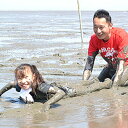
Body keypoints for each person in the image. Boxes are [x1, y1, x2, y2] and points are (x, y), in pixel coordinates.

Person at [0, 63, 112, 111]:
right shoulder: (20, 85)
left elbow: (61, 93)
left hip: (68, 91)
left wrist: (48, 104)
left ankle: (105, 83)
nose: (23, 81)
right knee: (82, 82)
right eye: (20, 78)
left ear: (34, 77)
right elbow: (10, 84)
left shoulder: (40, 87)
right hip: (55, 85)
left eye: (26, 77)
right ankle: (93, 80)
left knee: (88, 89)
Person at [83, 9, 128, 87]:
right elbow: (89, 64)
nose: (98, 31)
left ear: (110, 25)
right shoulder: (94, 39)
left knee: (115, 83)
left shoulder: (121, 36)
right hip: (112, 66)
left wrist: (114, 88)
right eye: (95, 27)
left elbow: (121, 66)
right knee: (98, 81)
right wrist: (83, 83)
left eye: (101, 27)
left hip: (125, 65)